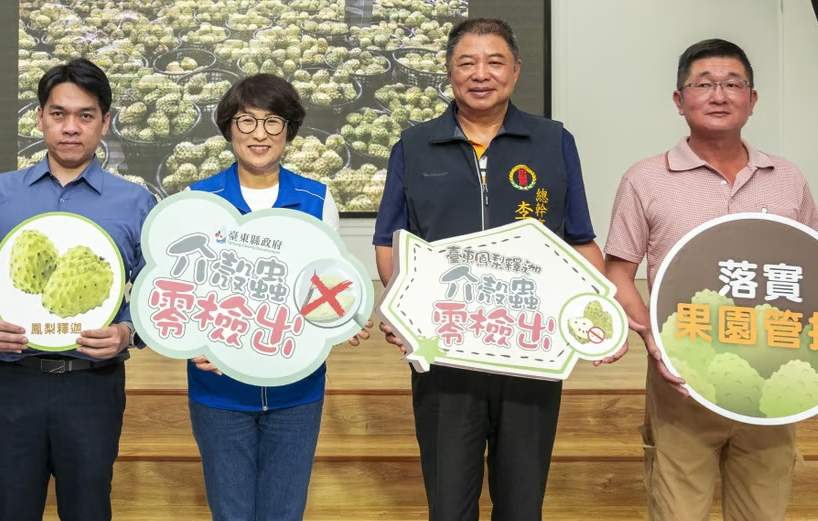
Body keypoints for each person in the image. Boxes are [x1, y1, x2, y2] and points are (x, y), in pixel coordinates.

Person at [372, 18, 604, 520]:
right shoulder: (414, 146)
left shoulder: (552, 142)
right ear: (449, 72)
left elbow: (580, 239)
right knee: (449, 502)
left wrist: (598, 317)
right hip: (444, 354)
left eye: (495, 61)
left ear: (516, 71)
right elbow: (389, 243)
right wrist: (400, 309)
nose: (481, 74)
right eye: (467, 62)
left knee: (522, 503)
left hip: (530, 350)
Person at [601, 38, 818, 520]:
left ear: (752, 99)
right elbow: (619, 270)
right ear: (680, 101)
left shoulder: (787, 178)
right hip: (682, 377)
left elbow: (810, 272)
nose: (719, 95)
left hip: (770, 374)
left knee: (763, 511)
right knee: (678, 511)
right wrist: (654, 337)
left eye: (732, 84)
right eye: (703, 84)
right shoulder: (645, 179)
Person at [0, 57, 155, 521]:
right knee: (8, 508)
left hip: (92, 385)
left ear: (105, 122)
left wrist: (128, 332)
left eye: (85, 116)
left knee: (87, 509)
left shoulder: (136, 201)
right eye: (59, 114)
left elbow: (153, 290)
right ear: (40, 117)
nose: (70, 128)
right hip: (12, 382)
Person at [186, 73, 369, 521]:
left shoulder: (316, 198)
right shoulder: (198, 198)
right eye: (246, 122)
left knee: (284, 512)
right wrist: (195, 341)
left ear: (290, 129)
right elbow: (186, 292)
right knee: (230, 512)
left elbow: (326, 283)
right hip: (219, 391)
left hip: (296, 390)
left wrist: (346, 319)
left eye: (273, 121)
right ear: (228, 127)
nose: (259, 134)